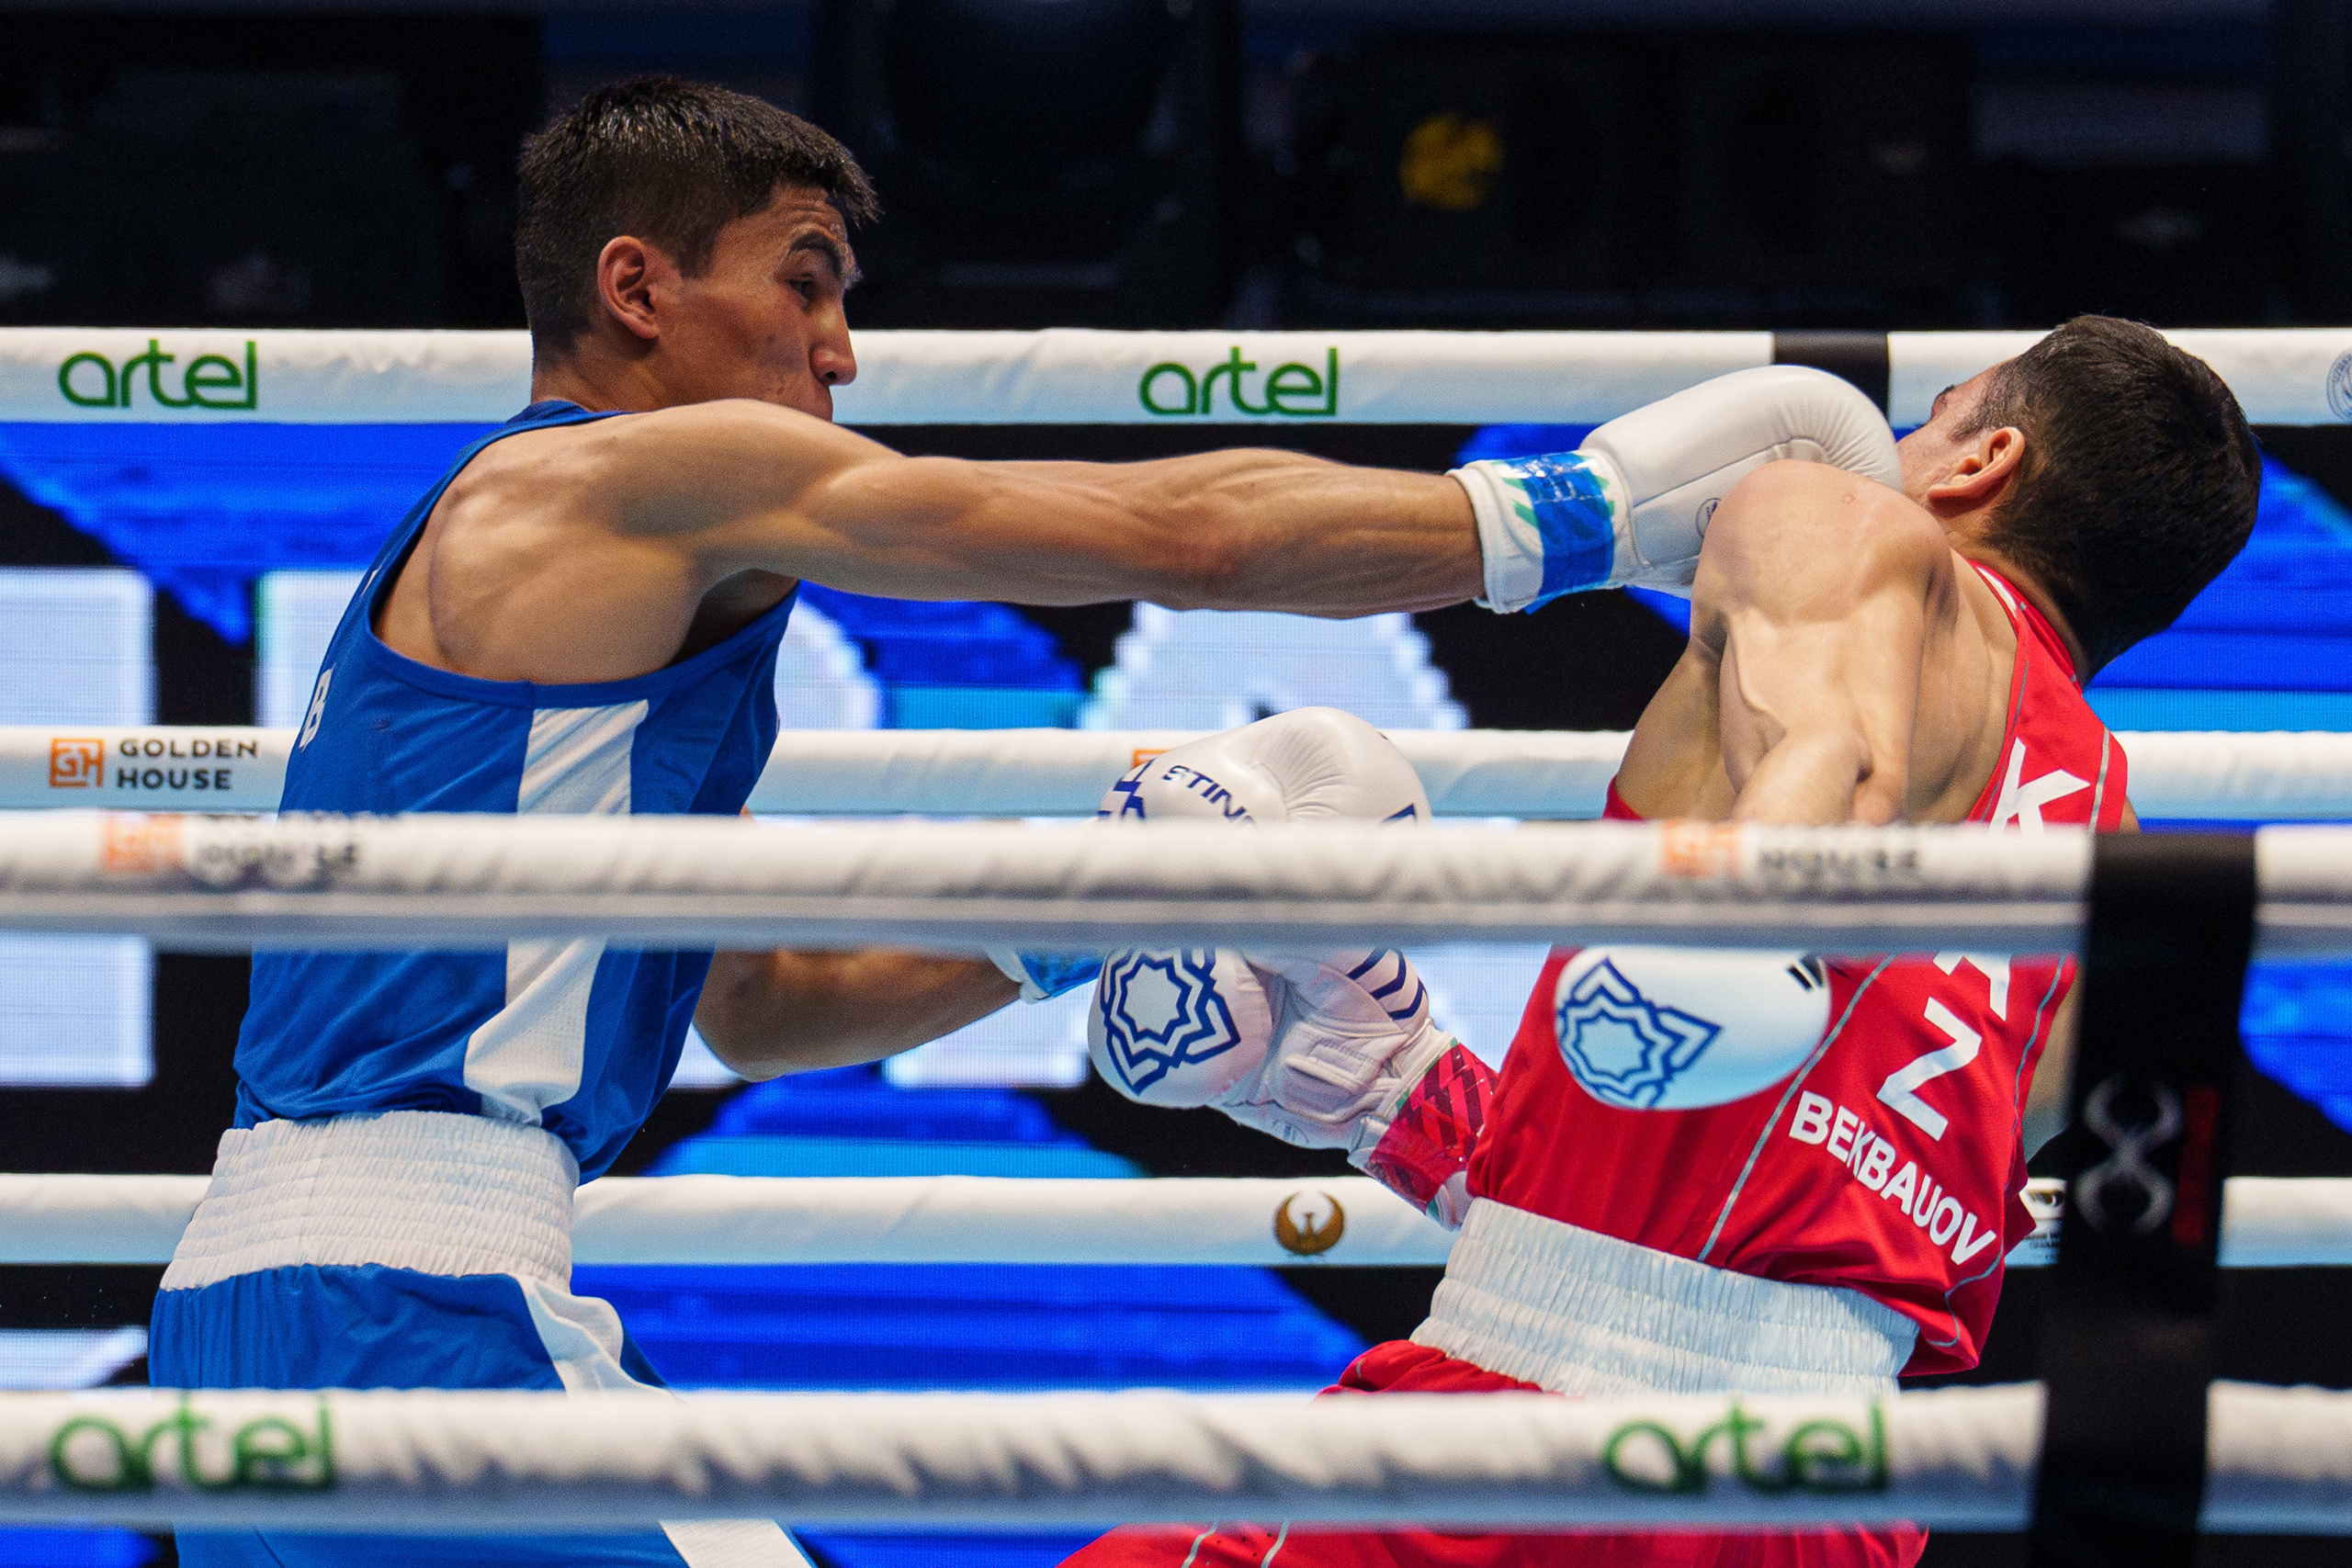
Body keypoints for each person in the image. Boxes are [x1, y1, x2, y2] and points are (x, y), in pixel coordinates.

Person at [145, 76, 1899, 1568]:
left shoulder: (567, 596)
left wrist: (1092, 914)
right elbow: (1182, 539)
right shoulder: (620, 479)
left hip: (257, 1301)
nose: (840, 345)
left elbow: (757, 1002)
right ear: (638, 287)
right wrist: (1560, 523)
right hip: (418, 1305)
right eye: (804, 280)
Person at [1059, 314, 2262, 1568]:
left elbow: (1829, 775)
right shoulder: (2109, 852)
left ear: (1982, 462)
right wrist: (1398, 1090)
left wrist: (1747, 900)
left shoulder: (1839, 525)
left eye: (1933, 417)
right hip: (1838, 1504)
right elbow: (1800, 1232)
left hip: (1539, 1456)